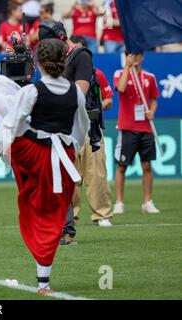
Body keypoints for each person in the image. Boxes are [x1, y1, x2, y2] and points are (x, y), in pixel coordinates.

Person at [0, 27, 89, 294]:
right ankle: (43, 280)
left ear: (40, 64)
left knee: (36, 213)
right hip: (62, 156)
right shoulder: (75, 93)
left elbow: (9, 127)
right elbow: (81, 128)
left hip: (34, 155)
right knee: (54, 216)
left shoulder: (32, 92)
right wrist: (71, 150)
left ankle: (43, 279)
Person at [38, 19, 98, 245]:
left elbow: (80, 94)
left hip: (74, 127)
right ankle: (63, 229)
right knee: (54, 179)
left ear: (62, 37)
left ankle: (67, 230)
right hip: (54, 126)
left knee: (63, 179)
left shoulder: (81, 56)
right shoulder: (55, 60)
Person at [68, 34, 113, 227]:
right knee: (69, 175)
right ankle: (71, 216)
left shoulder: (98, 74)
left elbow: (109, 100)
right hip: (69, 129)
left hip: (91, 130)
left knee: (97, 174)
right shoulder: (65, 72)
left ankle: (101, 215)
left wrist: (95, 108)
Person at [113, 53, 160, 214]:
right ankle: (119, 202)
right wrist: (127, 66)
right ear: (126, 56)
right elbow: (121, 88)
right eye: (132, 54)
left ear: (143, 56)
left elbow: (154, 99)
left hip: (146, 127)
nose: (136, 57)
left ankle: (147, 201)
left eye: (138, 54)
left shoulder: (150, 76)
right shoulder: (119, 73)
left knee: (147, 165)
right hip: (127, 127)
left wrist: (152, 112)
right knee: (122, 166)